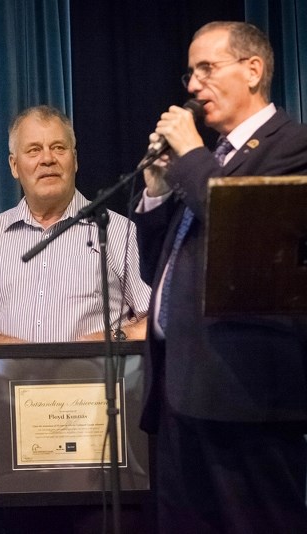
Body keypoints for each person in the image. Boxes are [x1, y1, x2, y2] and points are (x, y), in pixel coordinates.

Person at [135, 21, 307, 533]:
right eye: (190, 73)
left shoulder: (291, 147)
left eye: (206, 69)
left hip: (247, 398)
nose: (191, 86)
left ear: (253, 70)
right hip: (179, 392)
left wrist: (189, 155)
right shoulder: (210, 162)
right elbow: (155, 271)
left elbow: (244, 231)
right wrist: (158, 189)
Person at [0, 104, 150, 365]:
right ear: (14, 165)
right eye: (33, 150)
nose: (47, 159)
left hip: (96, 396)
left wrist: (110, 339)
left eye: (58, 148)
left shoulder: (119, 233)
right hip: (11, 398)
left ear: (75, 160)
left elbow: (159, 321)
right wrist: (22, 354)